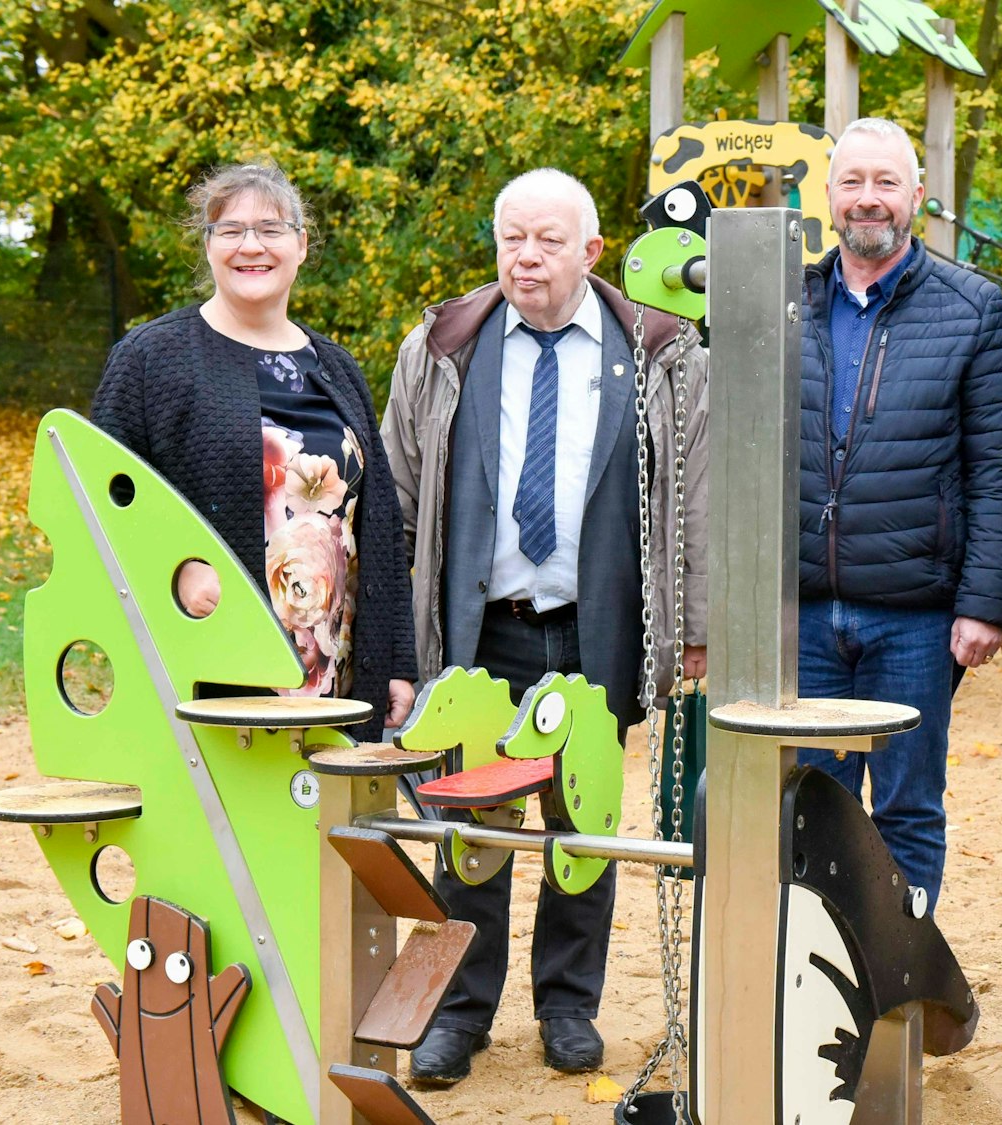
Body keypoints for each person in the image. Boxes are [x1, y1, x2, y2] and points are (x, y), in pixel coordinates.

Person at [381, 167, 709, 1085]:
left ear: (593, 250)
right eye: (511, 238)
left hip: (590, 624)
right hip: (482, 630)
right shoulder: (445, 346)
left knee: (583, 822)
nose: (527, 256)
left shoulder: (659, 351)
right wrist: (397, 638)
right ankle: (459, 1011)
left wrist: (695, 623)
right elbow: (400, 494)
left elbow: (696, 497)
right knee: (471, 824)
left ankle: (569, 1005)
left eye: (548, 240)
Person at [91, 161, 415, 743]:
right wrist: (176, 570)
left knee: (327, 830)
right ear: (208, 245)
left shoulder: (336, 366)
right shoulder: (150, 358)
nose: (251, 246)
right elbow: (99, 501)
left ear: (301, 245)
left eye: (270, 229)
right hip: (209, 664)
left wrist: (394, 662)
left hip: (335, 671)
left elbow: (381, 526)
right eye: (231, 230)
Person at [795, 117, 1002, 914]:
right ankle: (813, 989)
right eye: (852, 182)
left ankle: (897, 992)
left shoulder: (973, 308)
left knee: (907, 811)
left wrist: (985, 600)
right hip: (804, 612)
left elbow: (998, 468)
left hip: (916, 619)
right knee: (806, 810)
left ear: (918, 197)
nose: (868, 199)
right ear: (827, 197)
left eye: (886, 182)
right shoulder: (786, 304)